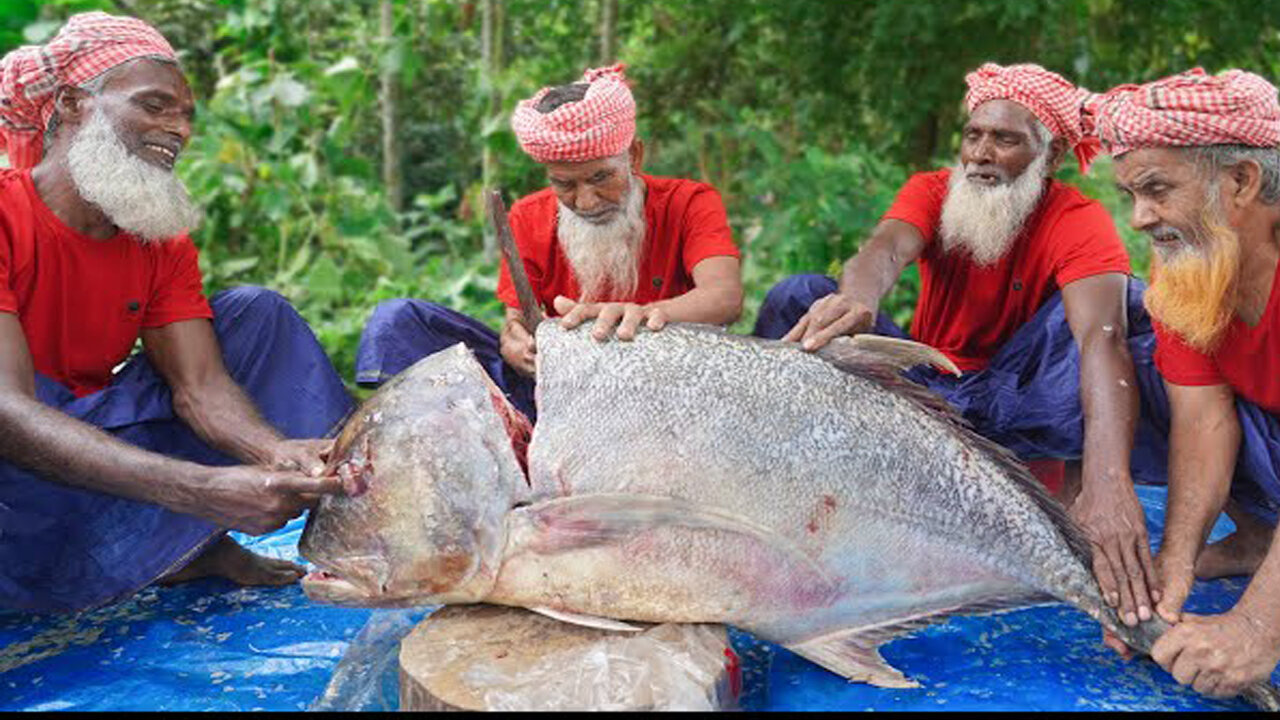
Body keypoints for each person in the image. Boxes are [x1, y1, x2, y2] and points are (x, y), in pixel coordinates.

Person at [754, 63, 1160, 628]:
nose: (981, 154)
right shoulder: (931, 190)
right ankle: (772, 490)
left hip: (1020, 408)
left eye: (1006, 139)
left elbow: (1101, 338)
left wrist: (1110, 488)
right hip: (924, 399)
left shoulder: (1077, 217)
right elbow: (886, 249)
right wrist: (859, 298)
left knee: (1126, 312)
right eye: (974, 135)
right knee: (798, 295)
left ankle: (1070, 502)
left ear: (1052, 156)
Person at [0, 12, 354, 614]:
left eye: (186, 115)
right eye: (155, 106)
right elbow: (7, 411)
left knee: (256, 316)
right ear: (73, 103)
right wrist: (202, 489)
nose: (179, 129)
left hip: (81, 443)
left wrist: (274, 452)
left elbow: (201, 388)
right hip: (17, 478)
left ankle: (189, 550)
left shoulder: (155, 238)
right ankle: (165, 545)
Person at [356, 65, 743, 419]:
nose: (586, 202)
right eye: (564, 185)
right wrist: (515, 343)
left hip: (666, 392)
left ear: (635, 157)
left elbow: (724, 298)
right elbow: (516, 320)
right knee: (398, 321)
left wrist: (639, 316)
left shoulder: (689, 201)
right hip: (558, 396)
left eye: (600, 178)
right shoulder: (527, 215)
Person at [1089, 67, 1280, 697]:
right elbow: (1201, 419)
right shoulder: (1193, 266)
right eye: (1131, 196)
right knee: (1131, 362)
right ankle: (1256, 541)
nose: (1141, 218)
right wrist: (1171, 572)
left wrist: (1256, 628)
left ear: (1241, 181)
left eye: (1157, 189)